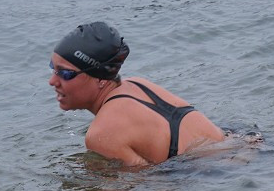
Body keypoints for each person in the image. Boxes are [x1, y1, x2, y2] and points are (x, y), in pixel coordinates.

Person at [48, 21, 225, 165]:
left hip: (216, 172)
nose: (52, 81)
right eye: (52, 69)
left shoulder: (101, 134)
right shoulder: (137, 84)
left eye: (65, 73)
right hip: (237, 146)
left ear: (100, 78)